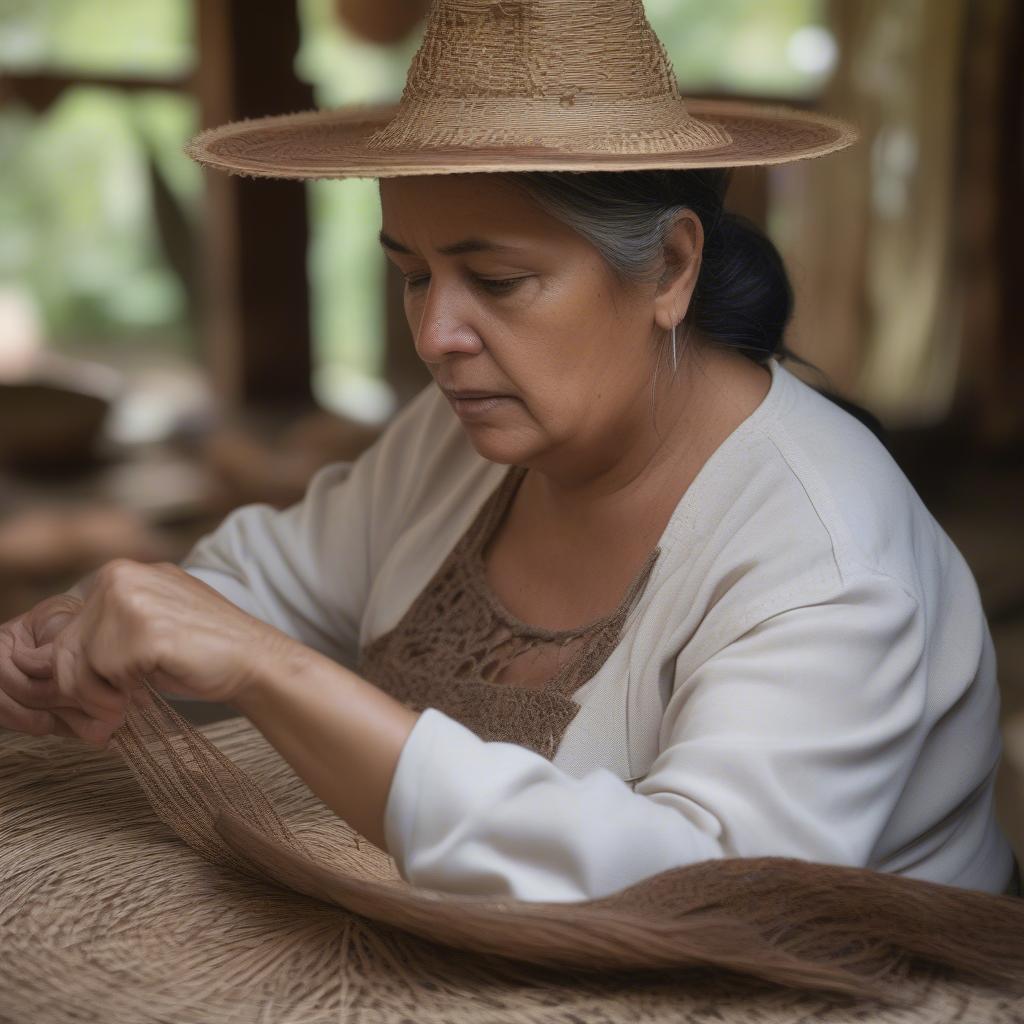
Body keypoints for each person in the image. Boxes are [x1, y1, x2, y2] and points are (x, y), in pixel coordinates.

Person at [0, 0, 1019, 906]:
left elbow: (701, 883)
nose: (437, 334)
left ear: (669, 267)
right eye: (411, 275)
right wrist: (99, 621)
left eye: (496, 280)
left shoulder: (828, 558)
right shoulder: (460, 444)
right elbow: (257, 585)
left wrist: (273, 673)